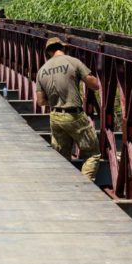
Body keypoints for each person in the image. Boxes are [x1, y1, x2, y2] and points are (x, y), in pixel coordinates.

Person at [35, 37, 101, 181]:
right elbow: (95, 85)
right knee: (92, 153)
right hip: (74, 116)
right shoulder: (73, 62)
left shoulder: (42, 71)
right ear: (62, 48)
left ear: (48, 52)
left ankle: (64, 184)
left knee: (61, 157)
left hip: (55, 117)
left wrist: (54, 101)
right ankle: (85, 185)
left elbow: (40, 101)